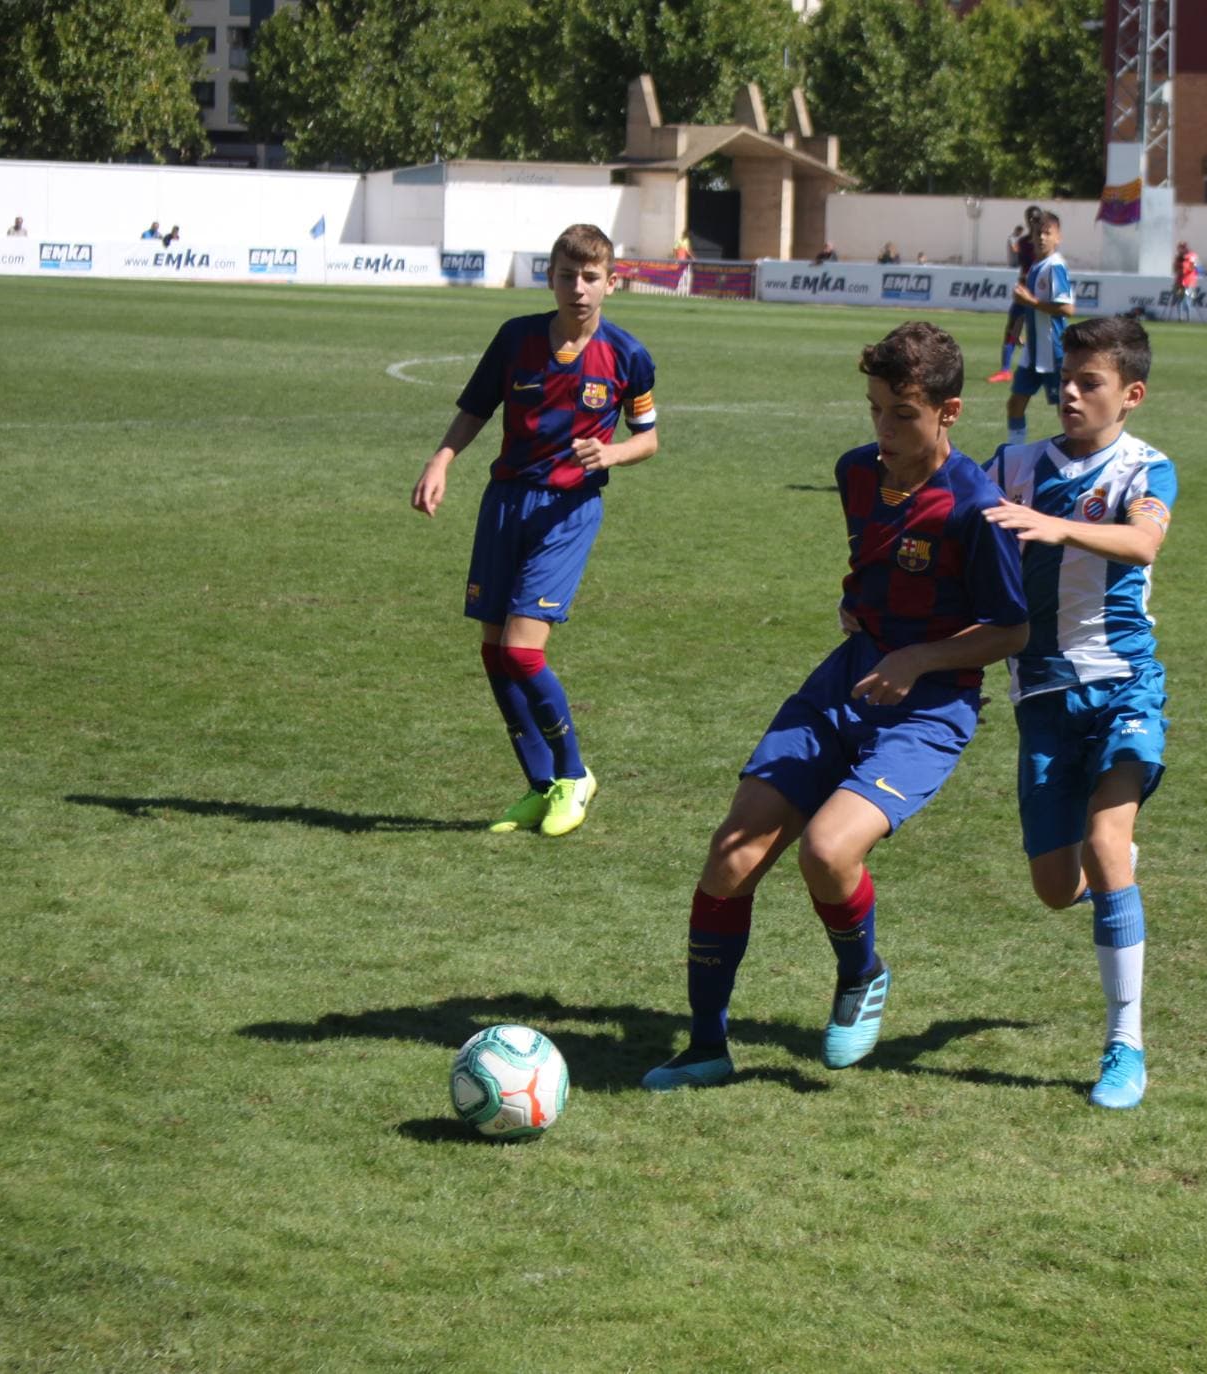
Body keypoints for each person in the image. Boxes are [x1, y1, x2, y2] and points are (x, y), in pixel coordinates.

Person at [641, 321, 1028, 1091]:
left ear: (948, 413)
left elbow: (1011, 629)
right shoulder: (855, 474)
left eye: (902, 415)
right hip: (845, 683)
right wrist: (861, 611)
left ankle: (862, 974)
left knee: (827, 851)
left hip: (929, 707)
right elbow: (876, 571)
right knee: (730, 857)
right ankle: (707, 1047)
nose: (882, 431)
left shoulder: (976, 509)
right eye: (874, 409)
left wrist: (918, 655)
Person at [981, 315, 1175, 1111]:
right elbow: (959, 532)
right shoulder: (1015, 463)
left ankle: (1124, 1043)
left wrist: (1056, 527)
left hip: (1125, 682)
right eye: (1064, 376)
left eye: (1087, 382)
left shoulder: (1145, 469)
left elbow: (1142, 546)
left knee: (1107, 839)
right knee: (1055, 888)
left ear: (1128, 396)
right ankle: (1110, 889)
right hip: (1040, 692)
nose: (1067, 390)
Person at [409, 223, 660, 838]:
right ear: (550, 277)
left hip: (566, 512)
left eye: (591, 277)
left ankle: (574, 775)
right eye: (567, 275)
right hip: (505, 503)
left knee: (523, 650)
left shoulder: (628, 356)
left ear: (610, 282)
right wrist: (442, 460)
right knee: (495, 654)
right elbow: (474, 409)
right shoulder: (516, 338)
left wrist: (613, 455)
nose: (579, 288)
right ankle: (540, 785)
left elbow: (649, 437)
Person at [1007, 210, 1073, 447]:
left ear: (1058, 238)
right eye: (1038, 233)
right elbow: (1030, 303)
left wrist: (1031, 303)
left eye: (1048, 233)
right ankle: (1014, 451)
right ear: (1031, 238)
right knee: (1015, 404)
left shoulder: (1055, 267)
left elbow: (1067, 308)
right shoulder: (1036, 266)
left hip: (1054, 351)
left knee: (1065, 410)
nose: (1042, 238)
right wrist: (1019, 326)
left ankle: (1074, 453)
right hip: (1033, 353)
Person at [988, 212, 1040, 383]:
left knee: (1041, 331)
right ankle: (1005, 370)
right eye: (1030, 219)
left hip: (1039, 291)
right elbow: (1023, 267)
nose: (1032, 222)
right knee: (1013, 328)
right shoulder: (1023, 242)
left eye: (1036, 219)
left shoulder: (1044, 242)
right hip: (1024, 289)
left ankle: (1043, 368)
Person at [1171, 240, 1199, 321]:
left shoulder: (1192, 256)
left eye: (1182, 248)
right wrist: (1178, 270)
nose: (1180, 250)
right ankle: (1180, 317)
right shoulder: (1178, 258)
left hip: (1189, 282)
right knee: (1179, 299)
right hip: (1180, 282)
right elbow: (1175, 268)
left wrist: (1184, 270)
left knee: (1187, 300)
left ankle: (1188, 318)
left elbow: (1193, 267)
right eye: (1180, 248)